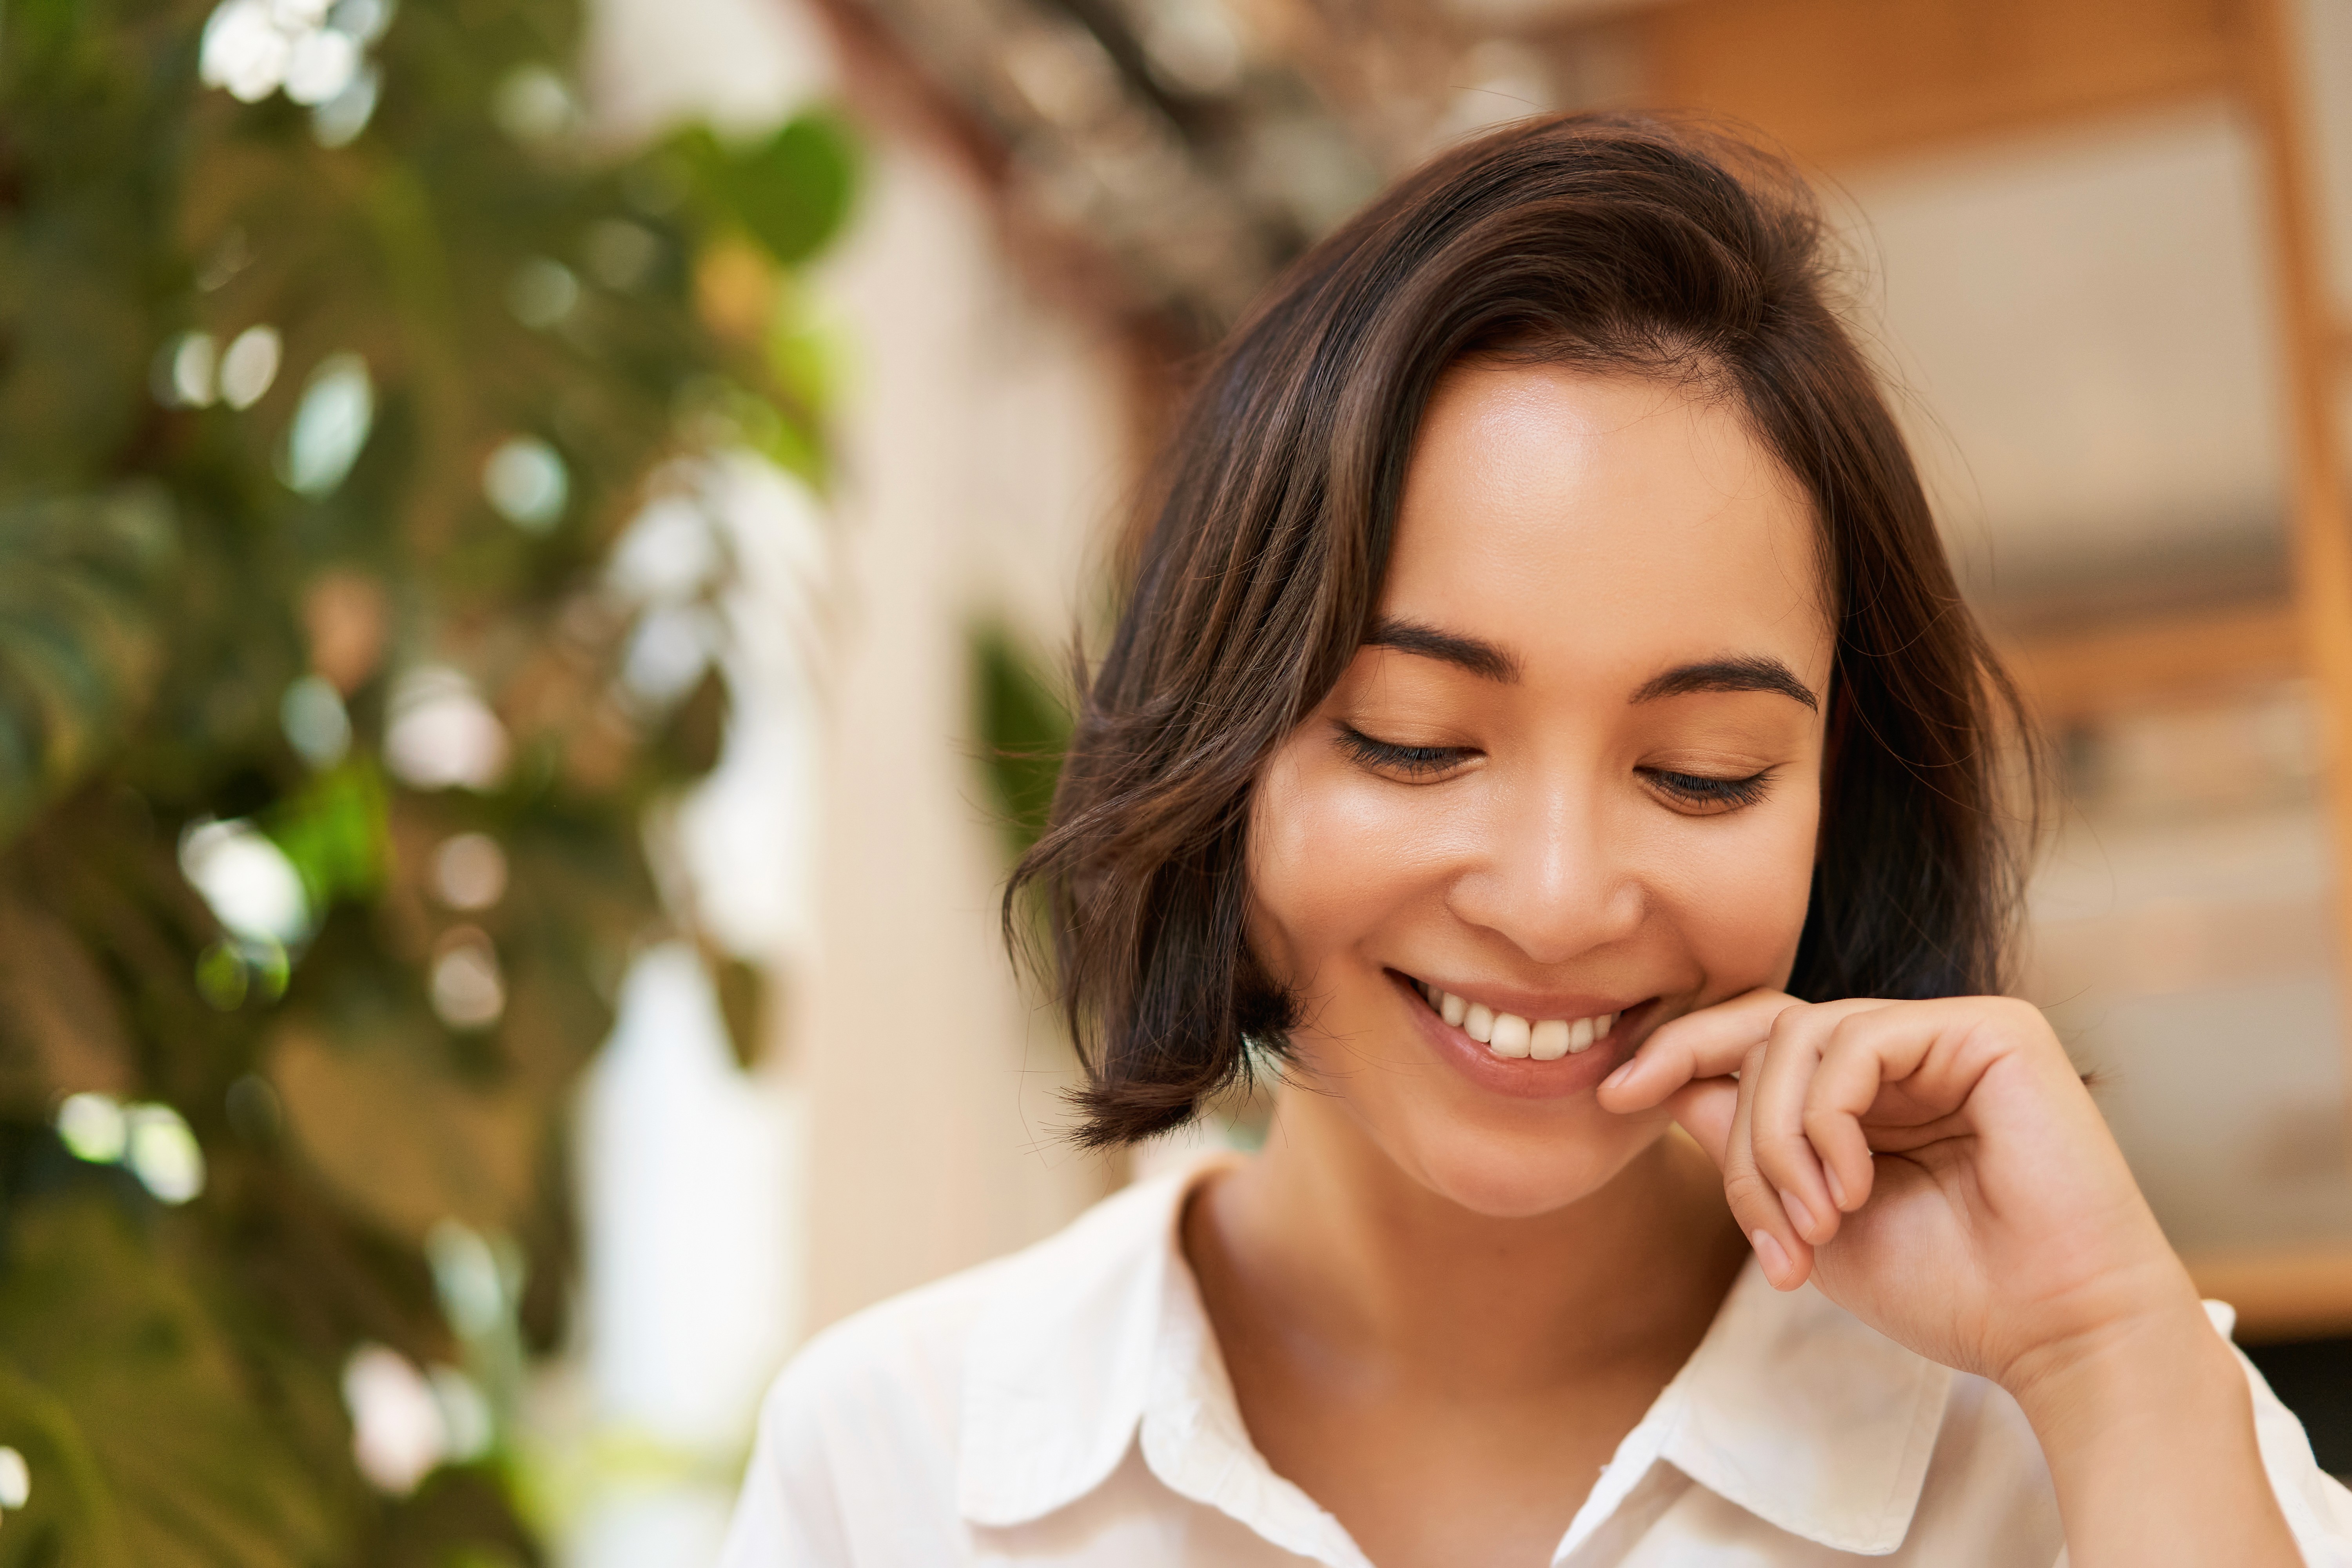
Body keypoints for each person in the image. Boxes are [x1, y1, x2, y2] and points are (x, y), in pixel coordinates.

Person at [718, 113, 2352, 1566]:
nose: (1559, 898)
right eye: (1415, 742)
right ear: (1226, 739)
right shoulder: (901, 1462)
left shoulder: (2102, 1437)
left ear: (1837, 804)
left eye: (1703, 773)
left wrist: (2099, 1352)